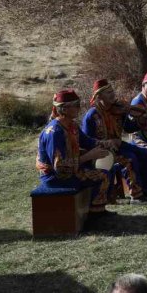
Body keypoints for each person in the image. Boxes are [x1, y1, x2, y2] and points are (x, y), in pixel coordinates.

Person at [36, 89, 115, 217]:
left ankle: (96, 208)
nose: (79, 107)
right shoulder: (55, 133)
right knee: (103, 175)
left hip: (70, 168)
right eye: (76, 105)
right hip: (55, 177)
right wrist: (88, 156)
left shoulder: (71, 125)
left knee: (108, 169)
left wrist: (105, 143)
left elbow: (87, 141)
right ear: (64, 109)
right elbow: (60, 167)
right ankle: (96, 215)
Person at [82, 79, 147, 202]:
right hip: (103, 151)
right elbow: (86, 140)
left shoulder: (118, 110)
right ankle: (136, 195)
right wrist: (107, 143)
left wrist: (142, 120)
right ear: (99, 96)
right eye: (108, 93)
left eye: (112, 91)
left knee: (145, 154)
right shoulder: (91, 116)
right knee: (130, 158)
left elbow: (128, 128)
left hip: (119, 145)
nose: (112, 95)